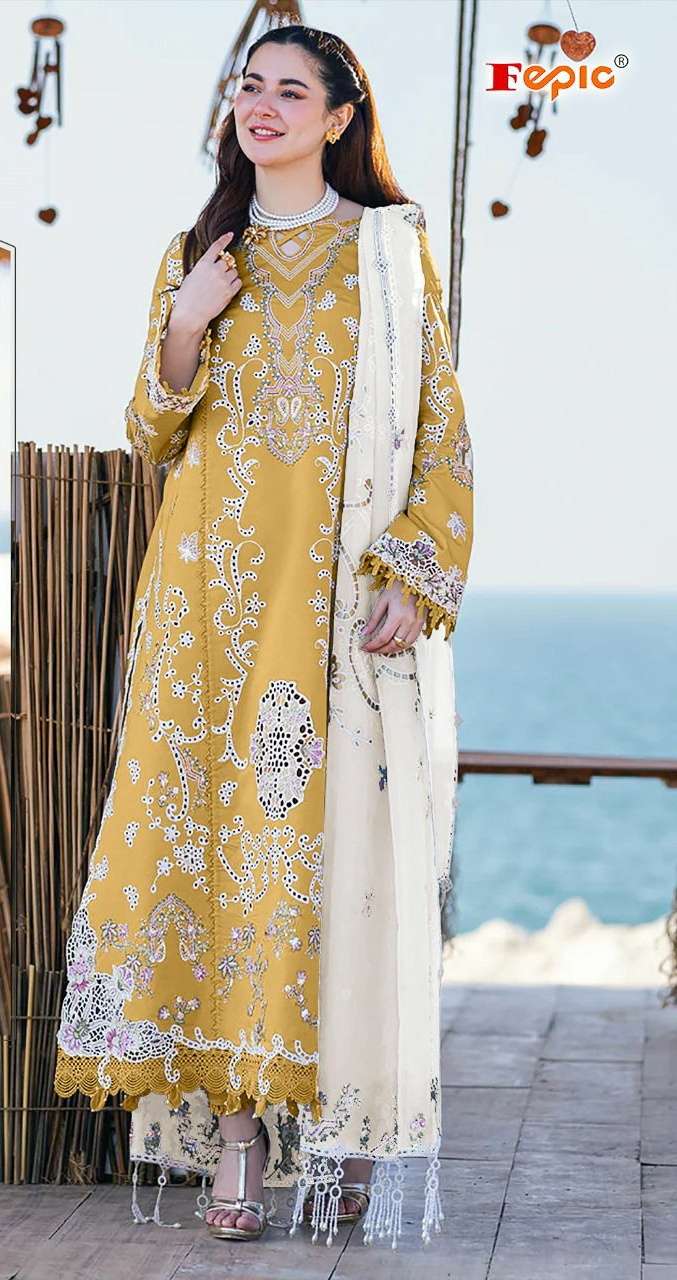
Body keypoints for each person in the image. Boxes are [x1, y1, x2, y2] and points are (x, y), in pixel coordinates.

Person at [53, 22, 474, 1250]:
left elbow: (442, 435)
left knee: (335, 853)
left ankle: (344, 1124)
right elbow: (150, 427)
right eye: (250, 85)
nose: (263, 105)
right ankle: (236, 1136)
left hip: (334, 610)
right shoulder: (200, 249)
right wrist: (187, 317)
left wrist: (412, 571)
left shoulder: (387, 254)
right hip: (205, 611)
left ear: (340, 117)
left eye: (292, 90)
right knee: (216, 852)